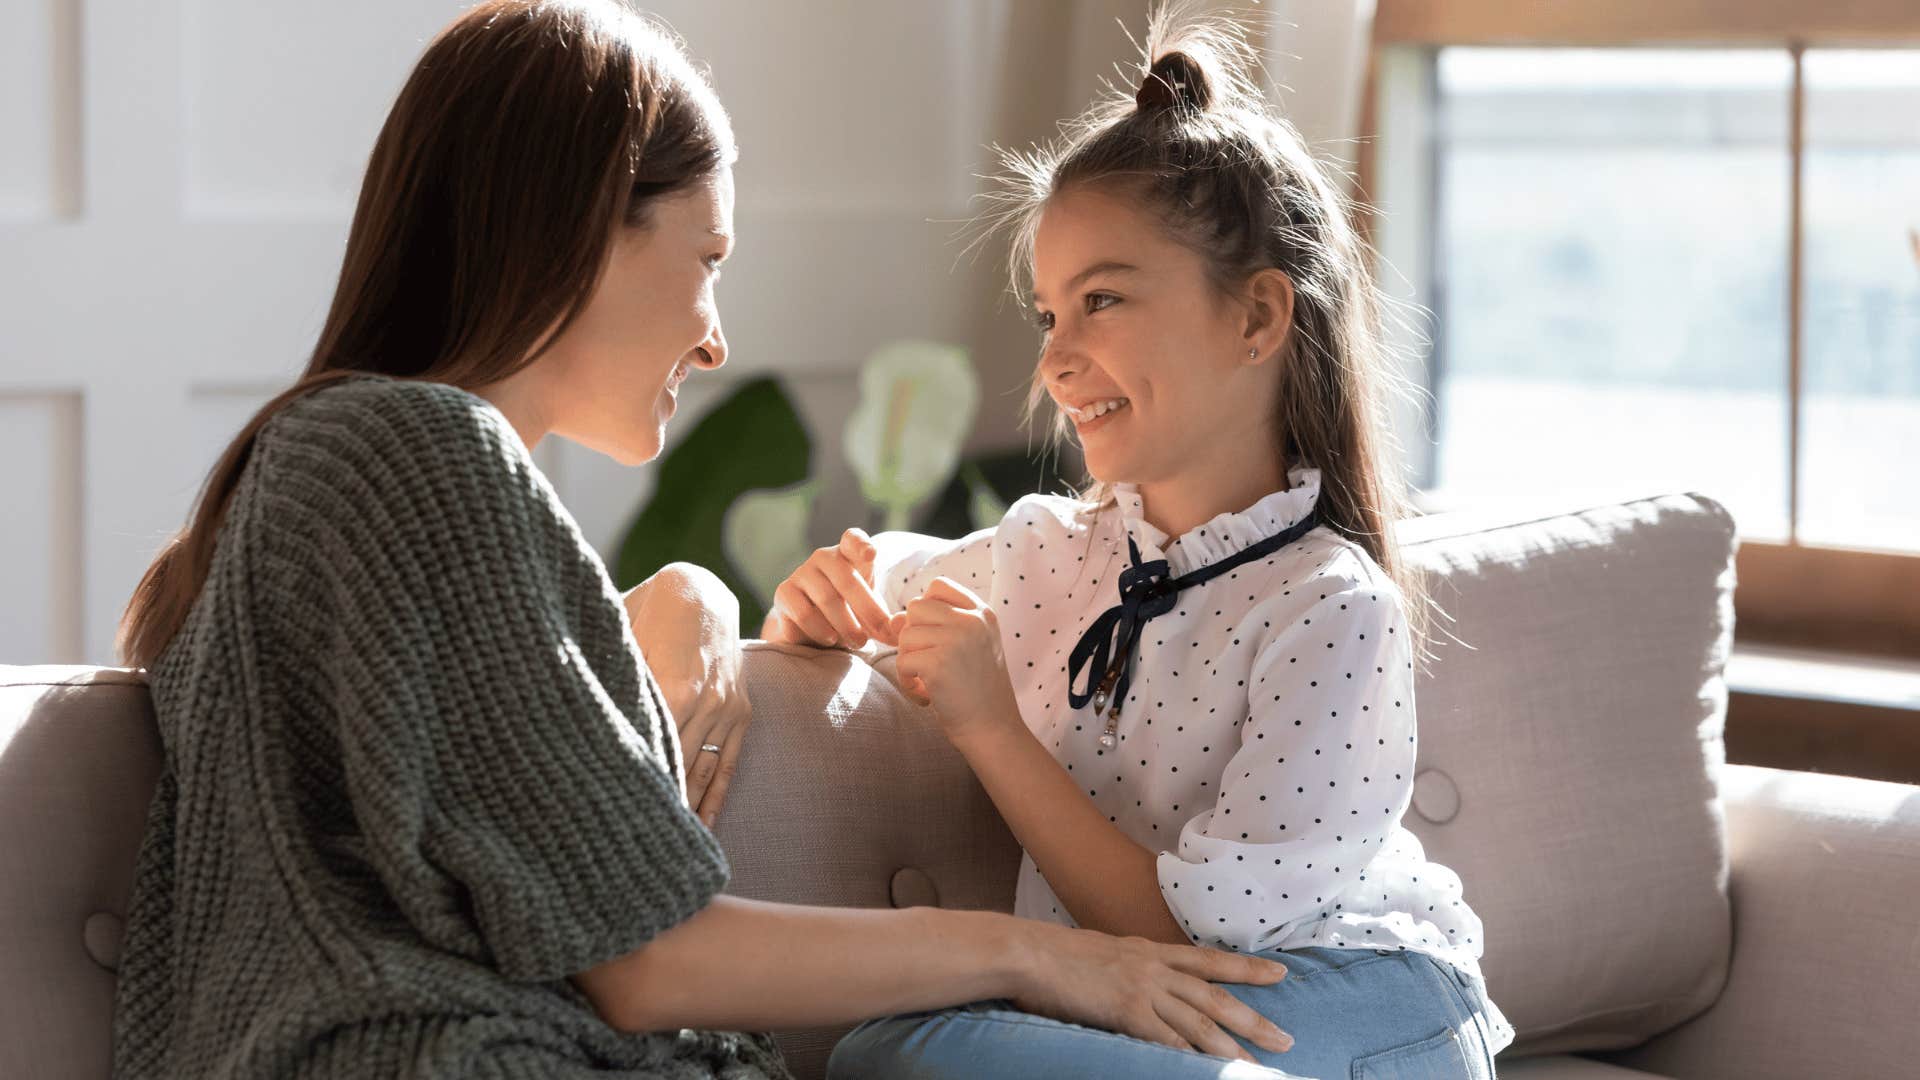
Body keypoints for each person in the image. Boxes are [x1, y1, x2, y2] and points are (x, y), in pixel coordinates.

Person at [108, 3, 1291, 1077]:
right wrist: (1040, 958)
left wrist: (681, 597)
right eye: (709, 260)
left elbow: (477, 763)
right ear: (581, 230)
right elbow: (650, 963)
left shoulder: (350, 462)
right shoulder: (413, 448)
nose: (718, 339)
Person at [764, 7, 1515, 1078]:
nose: (1058, 360)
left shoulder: (1332, 609)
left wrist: (991, 728)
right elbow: (886, 576)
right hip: (1145, 1008)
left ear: (1257, 320)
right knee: (892, 1052)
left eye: (1102, 301)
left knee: (939, 1057)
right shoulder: (1049, 556)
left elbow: (1193, 946)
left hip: (1358, 1002)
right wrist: (821, 597)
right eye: (1047, 315)